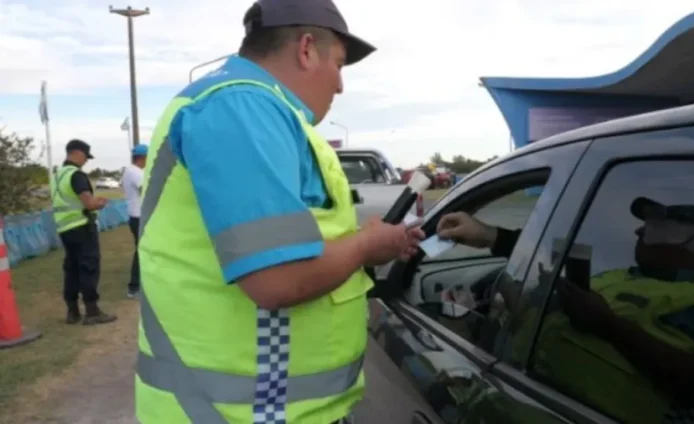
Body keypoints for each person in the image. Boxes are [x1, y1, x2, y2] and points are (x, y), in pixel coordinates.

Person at [134, 1, 424, 423]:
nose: (340, 86)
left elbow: (292, 237)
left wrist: (370, 243)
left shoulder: (258, 112)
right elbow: (277, 279)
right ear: (306, 49)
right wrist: (364, 245)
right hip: (240, 413)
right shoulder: (242, 108)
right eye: (339, 65)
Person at [437, 199, 694, 422]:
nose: (639, 231)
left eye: (659, 224)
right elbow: (548, 276)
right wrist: (487, 236)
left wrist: (608, 325)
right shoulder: (620, 275)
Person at [50, 139, 116, 326]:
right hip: (81, 226)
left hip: (64, 228)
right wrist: (101, 203)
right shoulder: (76, 175)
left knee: (71, 268)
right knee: (88, 266)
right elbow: (88, 203)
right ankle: (92, 311)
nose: (86, 160)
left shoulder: (57, 175)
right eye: (86, 156)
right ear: (77, 153)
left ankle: (72, 312)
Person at [122, 143, 148, 298]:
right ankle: (134, 287)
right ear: (143, 157)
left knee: (143, 250)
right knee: (141, 251)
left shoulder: (131, 171)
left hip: (137, 215)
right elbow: (146, 192)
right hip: (139, 216)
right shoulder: (136, 172)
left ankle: (140, 284)